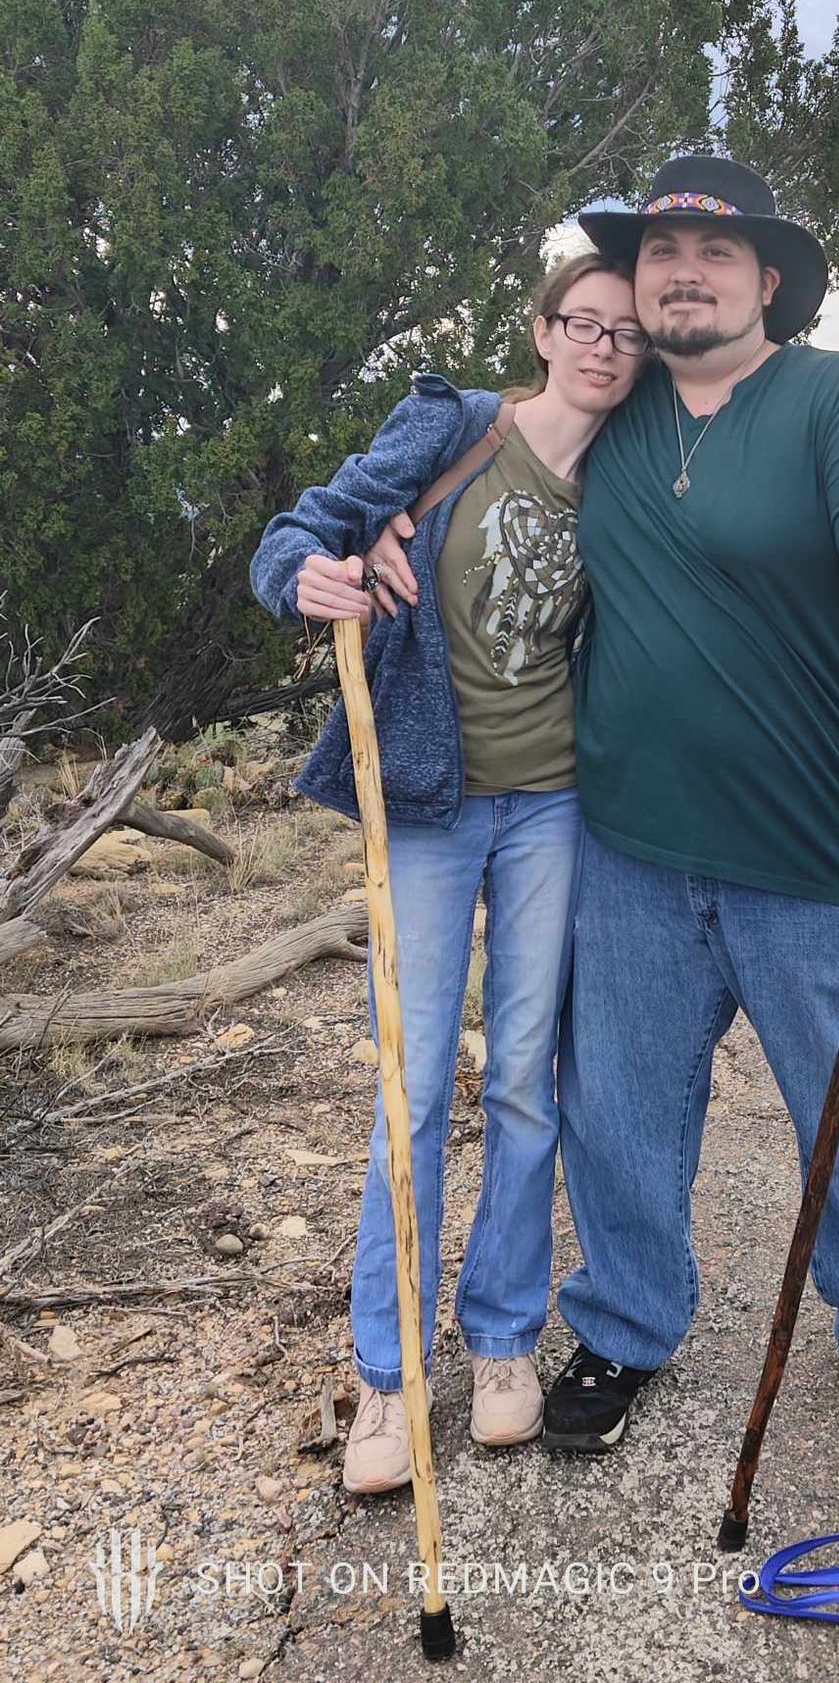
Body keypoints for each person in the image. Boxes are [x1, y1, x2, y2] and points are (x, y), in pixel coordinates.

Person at [539, 155, 839, 1459]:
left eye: (715, 254)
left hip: (816, 850)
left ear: (767, 280)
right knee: (616, 1107)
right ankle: (624, 1322)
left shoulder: (836, 398)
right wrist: (374, 530)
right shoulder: (612, 413)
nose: (684, 270)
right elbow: (496, 443)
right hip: (630, 847)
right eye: (663, 249)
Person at [248, 254, 645, 1493]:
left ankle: (506, 1341)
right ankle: (387, 1372)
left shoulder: (634, 476)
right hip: (427, 797)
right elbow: (303, 529)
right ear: (542, 330)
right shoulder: (459, 426)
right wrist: (319, 573)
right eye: (584, 323)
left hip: (555, 806)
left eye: (627, 333)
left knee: (525, 1074)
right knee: (414, 1085)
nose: (604, 347)